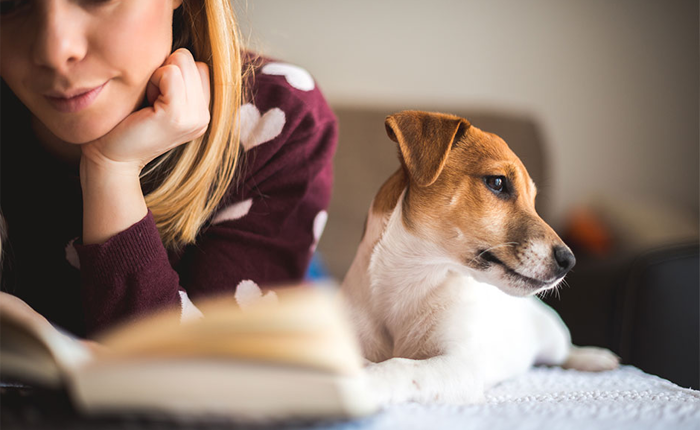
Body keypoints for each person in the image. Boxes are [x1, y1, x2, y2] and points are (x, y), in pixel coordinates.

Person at [0, 0, 337, 338]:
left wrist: (112, 172)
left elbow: (206, 372)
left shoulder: (275, 119)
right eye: (8, 4)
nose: (55, 50)